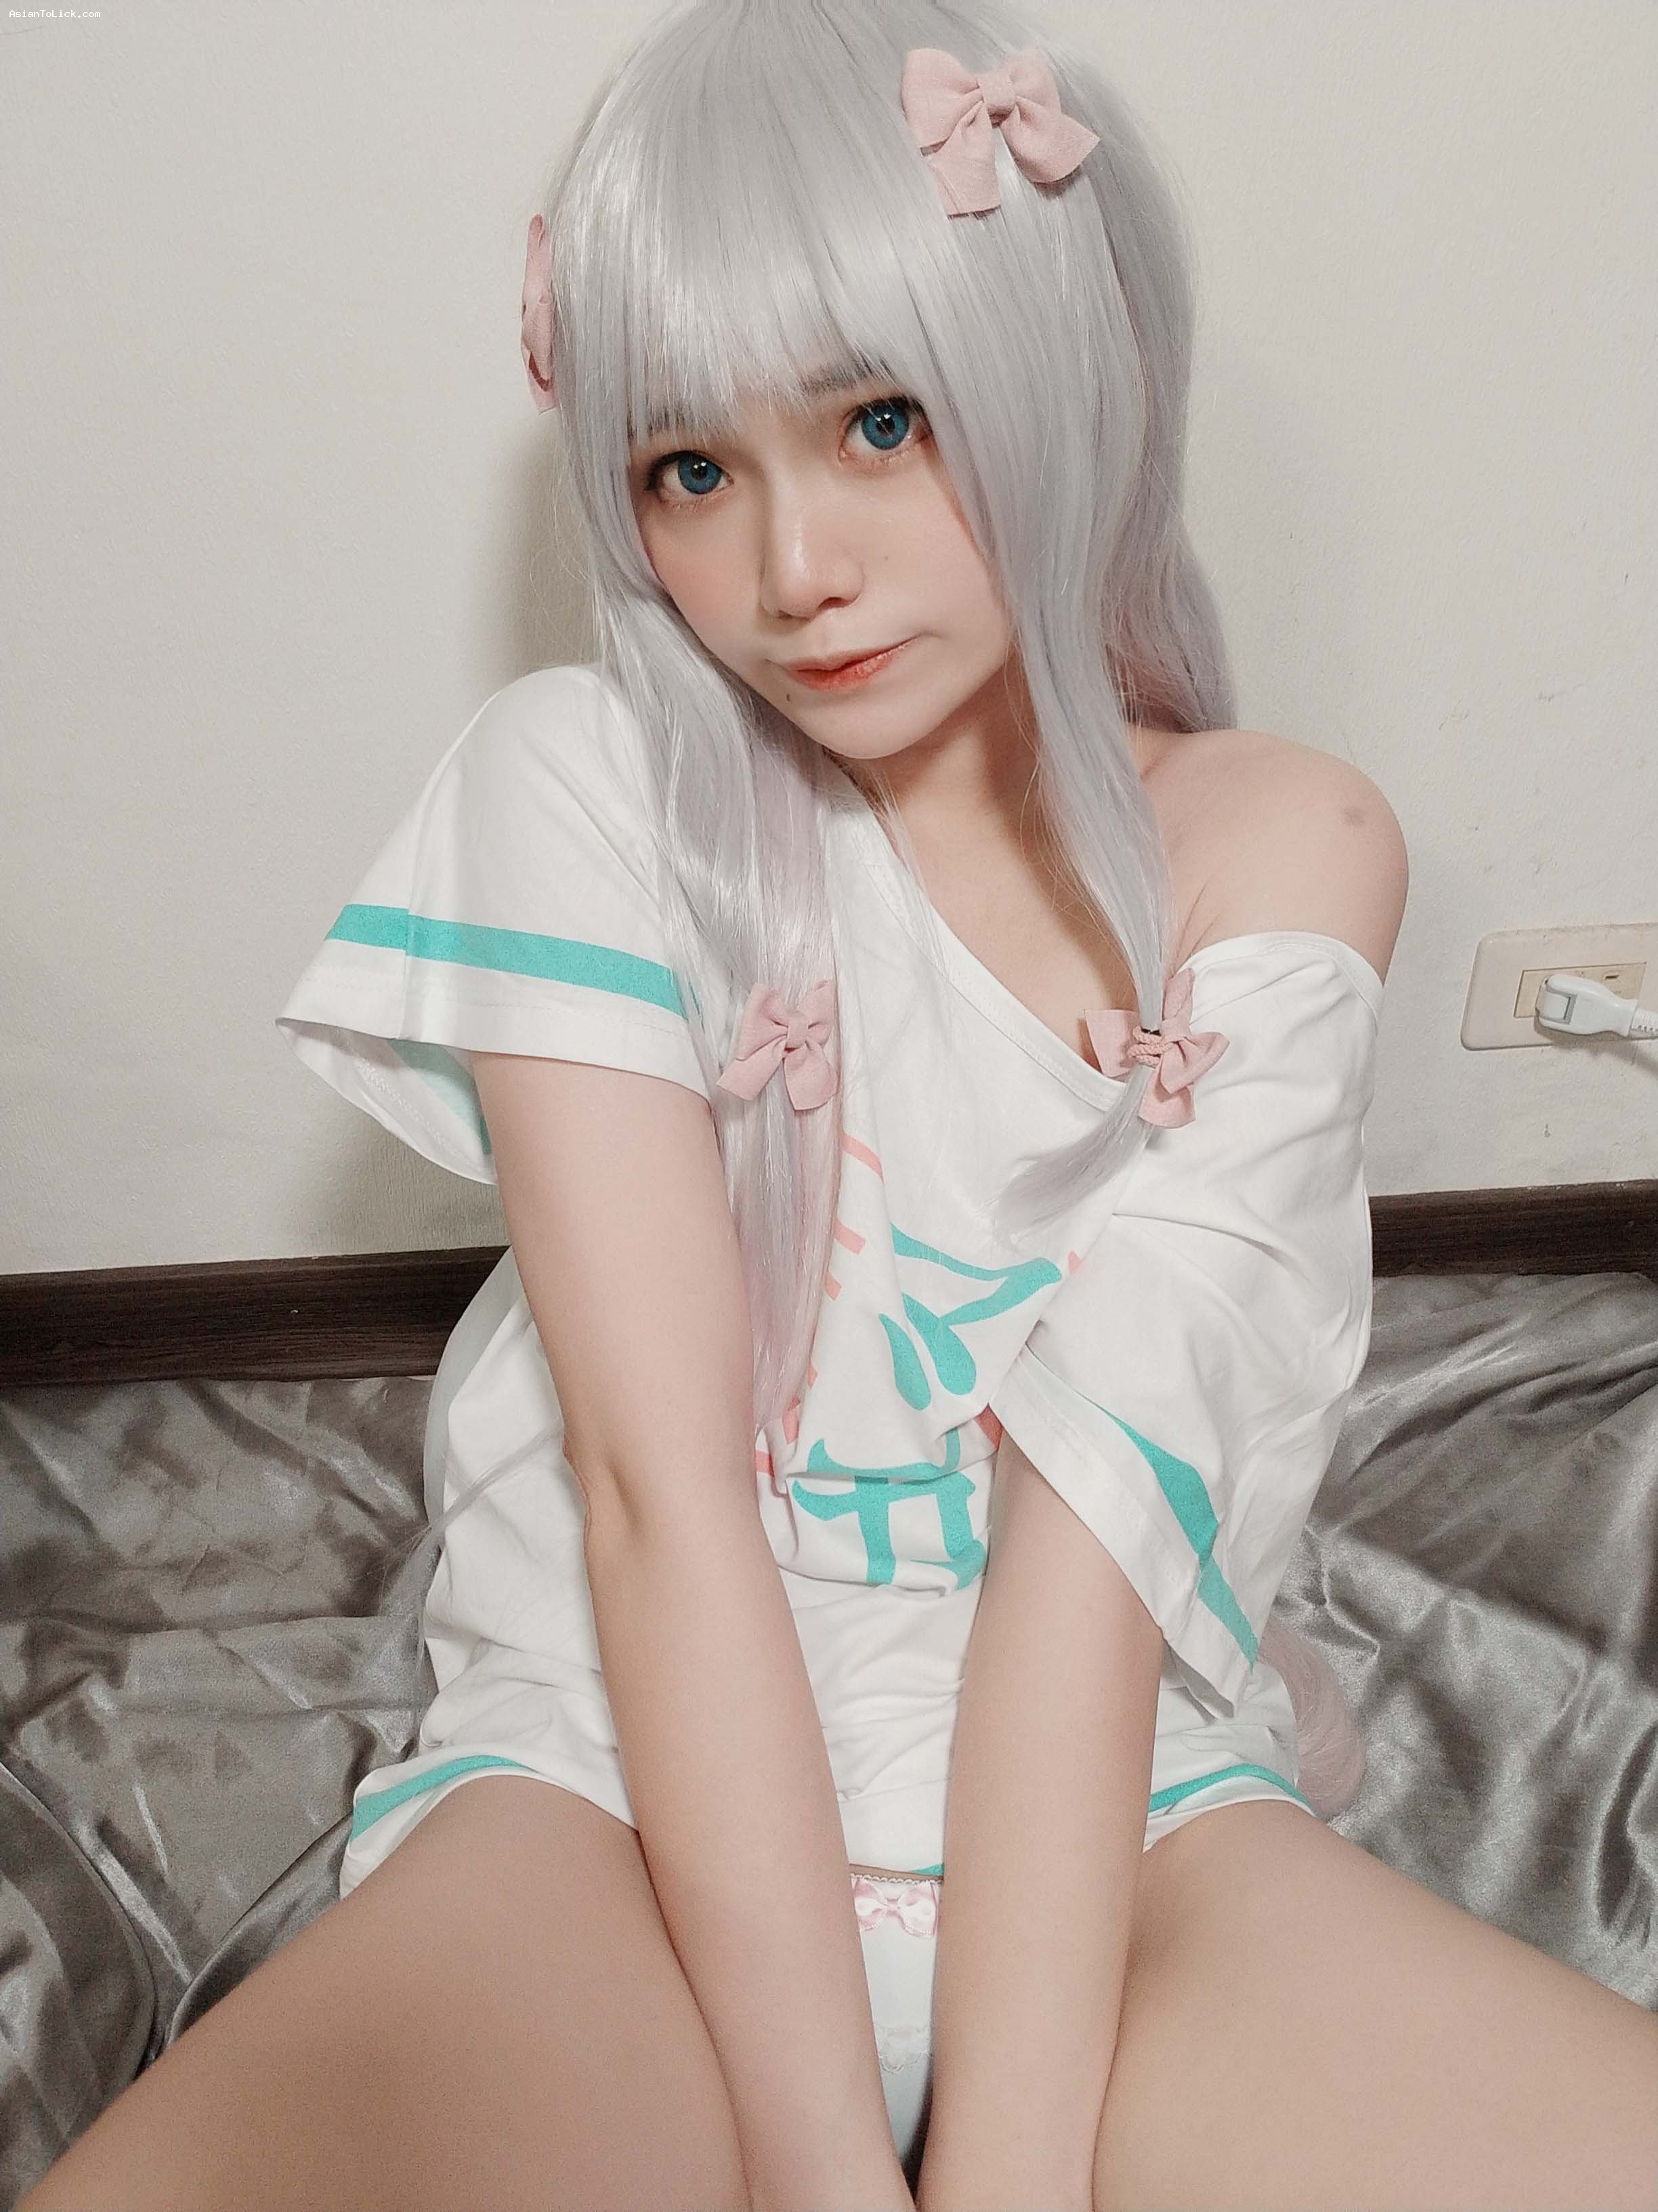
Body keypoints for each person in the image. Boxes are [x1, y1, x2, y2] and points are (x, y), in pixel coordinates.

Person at [24, 2, 1658, 2209]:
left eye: (883, 420)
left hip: (1132, 1819)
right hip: (610, 1795)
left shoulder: (1283, 841)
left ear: (1072, 371)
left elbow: (1087, 1565)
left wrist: (999, 2179)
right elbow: (658, 1499)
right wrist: (821, 2174)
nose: (792, 567)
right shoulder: (583, 784)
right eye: (689, 470)